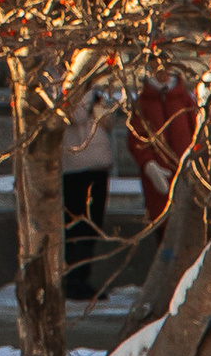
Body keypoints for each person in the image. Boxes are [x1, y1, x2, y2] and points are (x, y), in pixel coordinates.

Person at [60, 52, 121, 303]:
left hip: (99, 164)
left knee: (93, 224)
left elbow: (108, 121)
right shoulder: (68, 90)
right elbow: (74, 117)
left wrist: (103, 104)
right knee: (76, 224)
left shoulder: (98, 90)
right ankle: (71, 278)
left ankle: (84, 277)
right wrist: (90, 101)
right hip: (75, 167)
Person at [129, 66, 198, 229]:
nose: (163, 74)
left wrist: (195, 161)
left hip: (186, 171)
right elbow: (136, 140)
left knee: (188, 223)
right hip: (159, 175)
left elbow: (197, 131)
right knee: (162, 221)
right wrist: (150, 166)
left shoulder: (184, 100)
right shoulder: (142, 103)